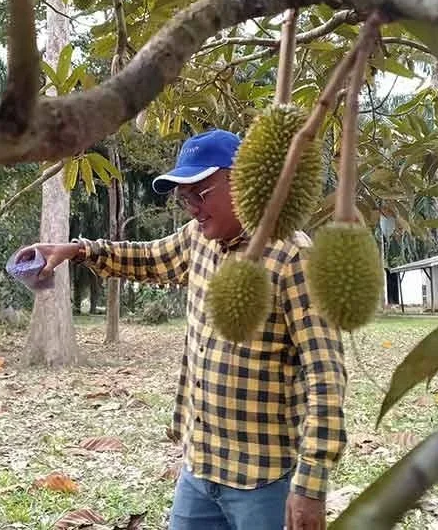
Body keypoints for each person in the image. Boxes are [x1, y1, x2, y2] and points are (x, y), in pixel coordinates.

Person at [18, 128, 347, 530]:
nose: (191, 206)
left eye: (201, 192)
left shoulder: (295, 257)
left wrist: (311, 486)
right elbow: (148, 258)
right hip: (200, 464)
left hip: (264, 478)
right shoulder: (199, 240)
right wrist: (78, 250)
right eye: (183, 196)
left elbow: (326, 376)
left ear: (240, 181)